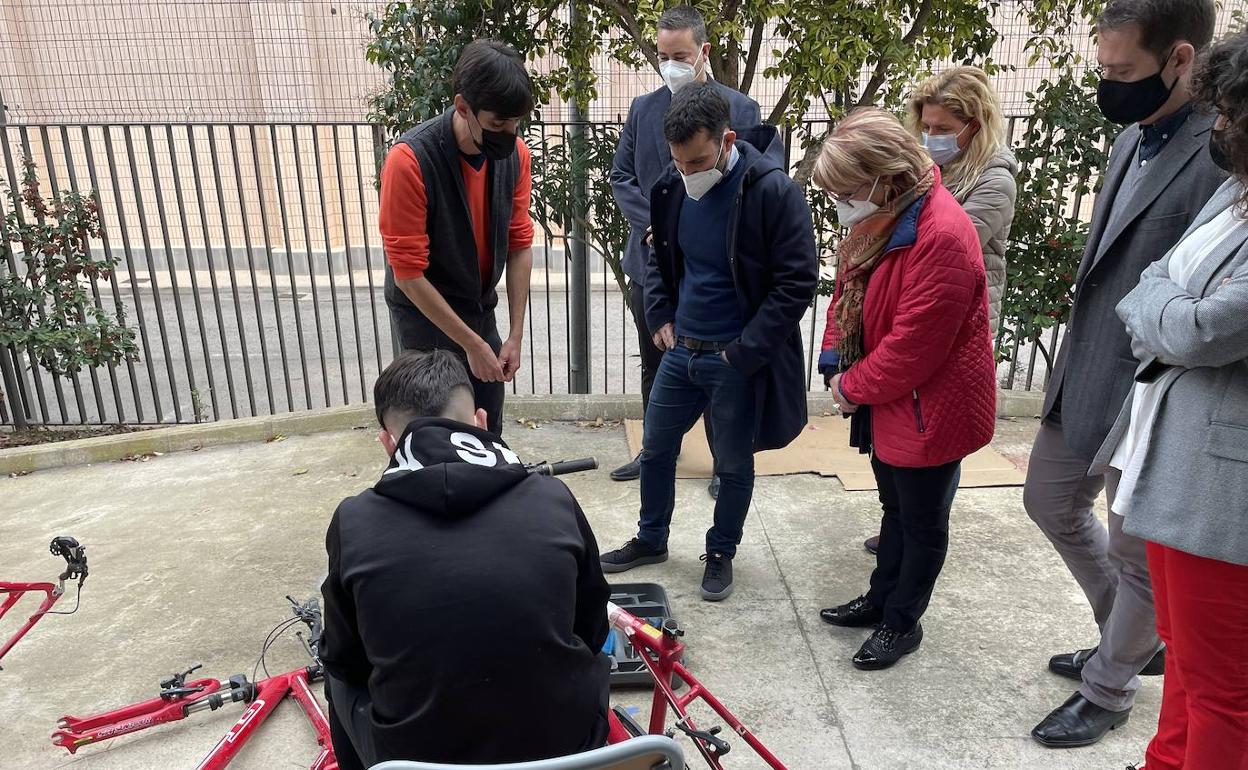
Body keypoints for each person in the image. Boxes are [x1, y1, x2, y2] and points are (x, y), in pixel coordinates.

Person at [1023, 0, 1225, 750]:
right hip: (1089, 368)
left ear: (1180, 58)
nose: (1108, 86)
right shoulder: (1133, 133)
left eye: (1123, 72)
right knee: (1048, 500)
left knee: (1135, 550)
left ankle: (1109, 687)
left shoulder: (1219, 151)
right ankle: (1133, 642)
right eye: (1102, 69)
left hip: (1153, 387)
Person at [319, 350, 610, 768]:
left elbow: (346, 660)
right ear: (480, 422)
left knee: (333, 672)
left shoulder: (353, 520)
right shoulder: (553, 498)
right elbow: (593, 629)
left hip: (414, 760)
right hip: (568, 749)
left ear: (387, 442)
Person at [1090, 31, 1248, 770]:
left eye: (1229, 114)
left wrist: (1163, 306)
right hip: (1174, 460)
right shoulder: (1234, 191)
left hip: (1222, 492)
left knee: (1223, 692)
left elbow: (1207, 328)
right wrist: (1167, 304)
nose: (1216, 128)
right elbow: (1157, 281)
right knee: (1186, 661)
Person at [599, 83, 818, 602]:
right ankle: (651, 539)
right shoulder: (671, 188)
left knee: (734, 463)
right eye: (679, 163)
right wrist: (660, 316)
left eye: (698, 161)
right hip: (681, 351)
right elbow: (660, 258)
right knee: (655, 451)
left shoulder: (771, 191)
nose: (689, 173)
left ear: (727, 140)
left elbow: (797, 282)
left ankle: (721, 551)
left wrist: (744, 353)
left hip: (735, 359)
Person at [814, 107, 997, 671]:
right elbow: (847, 286)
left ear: (884, 176)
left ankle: (902, 623)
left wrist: (850, 386)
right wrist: (832, 352)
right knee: (893, 509)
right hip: (892, 400)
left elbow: (913, 348)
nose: (840, 203)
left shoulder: (940, 233)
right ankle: (879, 599)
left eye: (846, 190)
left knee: (921, 523)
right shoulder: (883, 219)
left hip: (929, 408)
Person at [858, 64, 1019, 557]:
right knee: (900, 436)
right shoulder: (929, 171)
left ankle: (923, 525)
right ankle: (900, 524)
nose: (931, 138)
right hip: (913, 311)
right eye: (926, 127)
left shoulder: (994, 180)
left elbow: (941, 248)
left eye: (944, 130)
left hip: (958, 323)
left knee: (934, 441)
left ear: (976, 125)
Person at [608, 5, 762, 498]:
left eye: (680, 55)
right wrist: (657, 225)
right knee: (655, 359)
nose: (670, 64)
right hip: (651, 261)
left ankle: (724, 460)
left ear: (703, 53)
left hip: (715, 268)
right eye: (662, 55)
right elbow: (623, 178)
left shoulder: (741, 110)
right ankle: (657, 450)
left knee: (721, 369)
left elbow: (753, 186)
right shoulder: (643, 109)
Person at [379, 39, 536, 437]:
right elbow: (409, 276)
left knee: (488, 426)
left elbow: (519, 244)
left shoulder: (515, 155)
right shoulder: (410, 160)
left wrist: (513, 334)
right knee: (437, 433)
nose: (509, 133)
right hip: (425, 316)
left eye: (515, 123)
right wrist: (470, 345)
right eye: (498, 123)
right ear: (463, 106)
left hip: (478, 308)